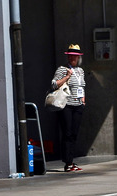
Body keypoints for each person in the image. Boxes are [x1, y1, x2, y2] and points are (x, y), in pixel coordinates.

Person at [51, 44, 86, 172]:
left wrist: (83, 100)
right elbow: (54, 84)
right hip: (66, 105)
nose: (73, 58)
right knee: (67, 133)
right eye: (71, 56)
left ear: (78, 58)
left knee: (74, 134)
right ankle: (68, 162)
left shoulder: (80, 71)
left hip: (78, 105)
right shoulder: (62, 69)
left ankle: (71, 161)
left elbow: (82, 86)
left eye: (75, 56)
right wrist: (66, 77)